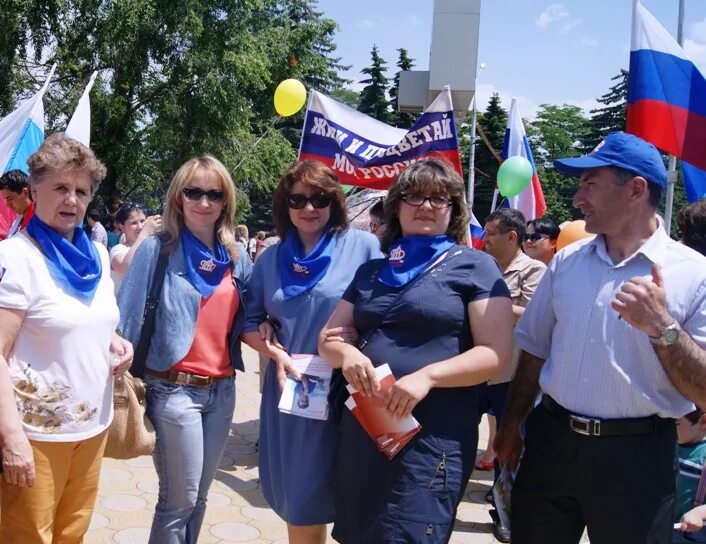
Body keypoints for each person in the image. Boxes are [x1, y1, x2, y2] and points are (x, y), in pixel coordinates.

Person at [494, 131, 706, 544]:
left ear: (636, 189)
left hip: (639, 459)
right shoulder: (568, 262)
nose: (577, 198)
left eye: (590, 183)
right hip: (551, 444)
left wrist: (663, 329)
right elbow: (535, 350)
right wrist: (511, 423)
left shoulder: (695, 274)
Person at [318, 158, 514, 544]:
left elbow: (495, 354)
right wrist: (350, 355)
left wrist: (428, 377)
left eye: (438, 199)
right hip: (368, 430)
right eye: (414, 196)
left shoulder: (477, 267)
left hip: (431, 434)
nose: (425, 205)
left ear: (454, 210)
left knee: (412, 532)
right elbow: (328, 339)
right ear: (397, 206)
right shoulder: (372, 272)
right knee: (359, 531)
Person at [0, 134, 134, 543]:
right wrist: (11, 439)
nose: (71, 200)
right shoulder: (16, 258)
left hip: (90, 428)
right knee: (29, 536)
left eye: (81, 191)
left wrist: (115, 340)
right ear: (33, 191)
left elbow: (92, 321)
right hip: (35, 435)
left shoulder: (93, 256)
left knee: (72, 533)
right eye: (60, 187)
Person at [242, 159, 381, 544]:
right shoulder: (270, 258)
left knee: (357, 494)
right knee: (301, 499)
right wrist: (270, 347)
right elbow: (248, 321)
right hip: (295, 393)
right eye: (297, 199)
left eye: (319, 199)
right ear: (284, 206)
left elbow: (386, 309)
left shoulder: (364, 247)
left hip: (350, 391)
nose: (308, 208)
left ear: (334, 201)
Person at [117, 155, 252, 544]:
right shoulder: (158, 250)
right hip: (172, 391)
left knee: (200, 499)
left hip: (223, 391)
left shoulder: (235, 256)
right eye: (194, 192)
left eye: (214, 193)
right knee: (178, 503)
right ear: (179, 197)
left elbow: (254, 316)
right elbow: (125, 322)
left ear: (225, 201)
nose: (204, 202)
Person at [481, 207, 546, 542]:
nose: (484, 239)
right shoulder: (482, 267)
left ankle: (504, 510)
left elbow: (533, 316)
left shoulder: (534, 270)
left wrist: (488, 306)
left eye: (491, 233)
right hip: (478, 370)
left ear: (512, 237)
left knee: (509, 444)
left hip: (511, 375)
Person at [110, 202, 162, 292]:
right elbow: (126, 267)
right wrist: (144, 233)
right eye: (134, 223)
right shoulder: (118, 250)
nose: (140, 226)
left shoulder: (151, 247)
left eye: (142, 221)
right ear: (122, 227)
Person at [673, 408, 706, 543]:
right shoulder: (670, 446)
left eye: (676, 424)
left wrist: (699, 513)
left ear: (703, 421)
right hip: (665, 528)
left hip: (694, 535)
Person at [0, 169, 35, 237]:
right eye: (5, 199)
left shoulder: (37, 220)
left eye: (10, 198)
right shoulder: (20, 219)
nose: (8, 205)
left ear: (25, 192)